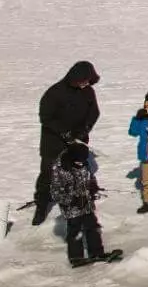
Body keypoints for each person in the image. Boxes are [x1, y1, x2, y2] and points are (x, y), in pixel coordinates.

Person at [32, 61, 100, 226]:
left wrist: (84, 130)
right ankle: (41, 206)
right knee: (48, 173)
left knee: (80, 171)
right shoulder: (55, 92)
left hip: (78, 140)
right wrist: (64, 132)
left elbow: (94, 112)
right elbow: (46, 117)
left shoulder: (88, 91)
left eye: (87, 80)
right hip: (54, 141)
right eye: (82, 80)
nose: (85, 84)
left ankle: (82, 199)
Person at [50, 142, 121, 268]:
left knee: (93, 227)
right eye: (78, 162)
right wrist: (71, 200)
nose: (81, 164)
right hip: (71, 207)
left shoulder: (84, 162)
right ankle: (76, 257)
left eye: (83, 161)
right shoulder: (59, 169)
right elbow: (55, 192)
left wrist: (93, 187)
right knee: (75, 230)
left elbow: (89, 178)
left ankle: (97, 253)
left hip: (86, 203)